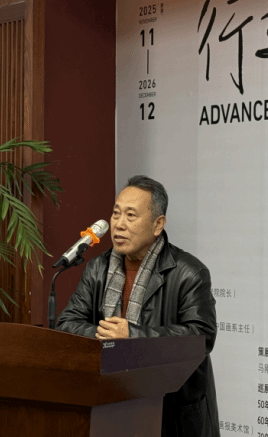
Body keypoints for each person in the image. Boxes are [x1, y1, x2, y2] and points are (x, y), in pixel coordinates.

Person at [56, 175, 220, 437]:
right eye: (116, 213)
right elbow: (67, 323)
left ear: (158, 224)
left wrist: (132, 336)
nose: (119, 224)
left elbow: (201, 337)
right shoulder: (98, 268)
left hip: (171, 413)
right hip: (109, 404)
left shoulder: (189, 272)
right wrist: (109, 338)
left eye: (131, 216)